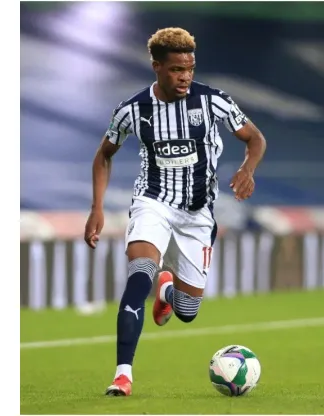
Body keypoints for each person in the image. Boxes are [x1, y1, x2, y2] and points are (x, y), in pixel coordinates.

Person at [83, 27, 267, 396]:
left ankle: (167, 293)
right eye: (176, 69)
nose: (185, 76)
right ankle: (123, 374)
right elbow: (105, 154)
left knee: (187, 310)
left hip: (198, 215)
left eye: (190, 68)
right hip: (153, 202)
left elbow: (255, 138)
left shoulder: (213, 101)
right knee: (139, 276)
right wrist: (97, 207)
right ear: (156, 67)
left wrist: (248, 169)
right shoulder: (132, 110)